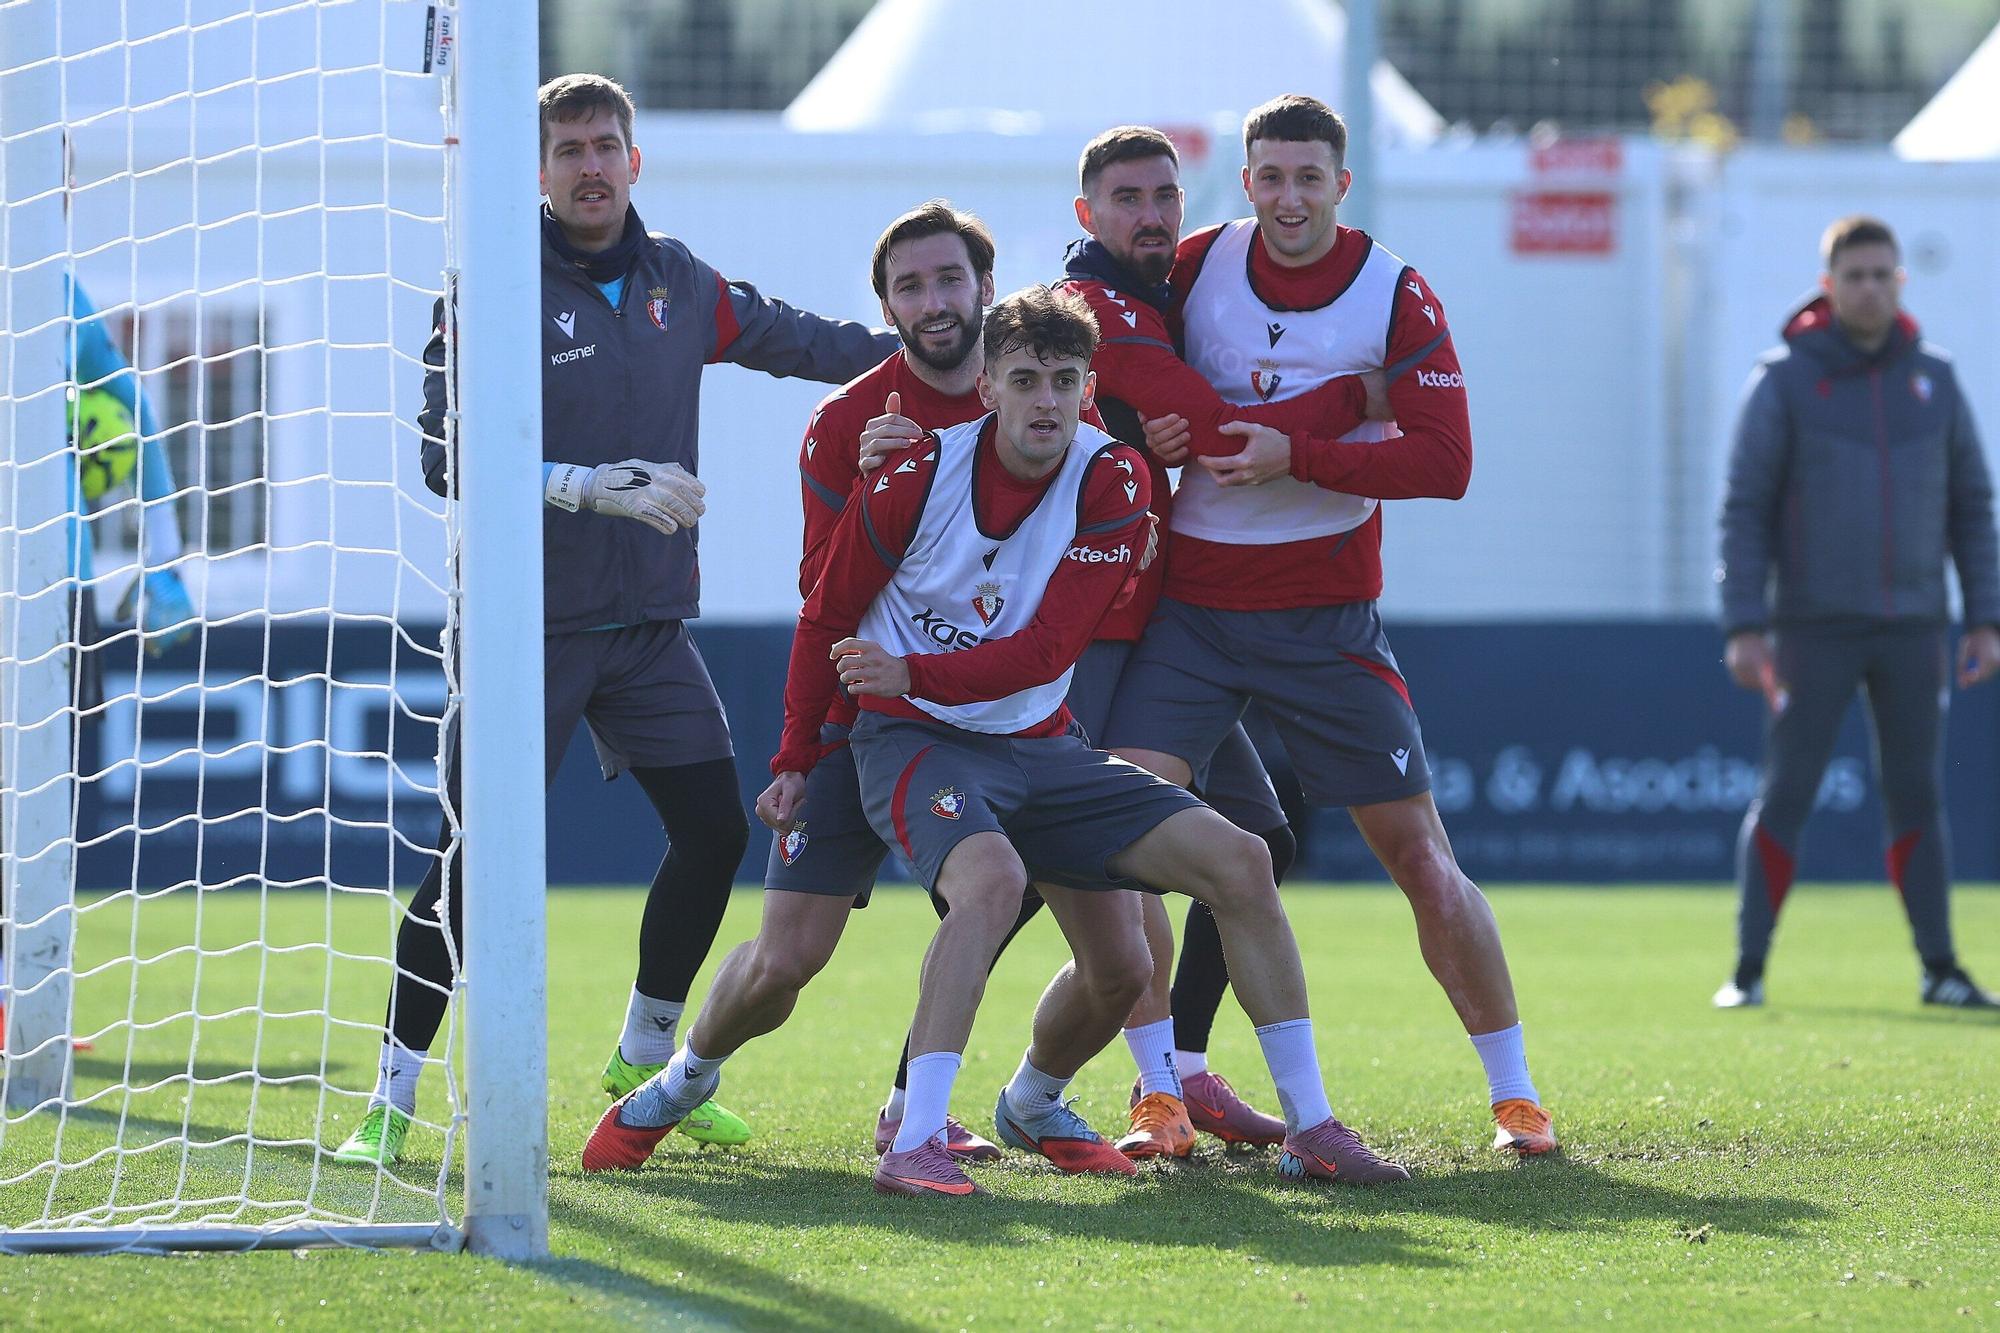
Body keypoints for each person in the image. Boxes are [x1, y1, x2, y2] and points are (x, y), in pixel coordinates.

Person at [585, 286, 1409, 1197]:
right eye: (1025, 380)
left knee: (1205, 894)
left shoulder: (1115, 478)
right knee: (831, 945)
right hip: (906, 735)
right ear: (986, 386)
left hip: (1036, 740)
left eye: (1065, 380)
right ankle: (748, 1099)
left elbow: (1048, 652)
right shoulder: (912, 473)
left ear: (1089, 388)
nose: (1046, 400)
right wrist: (793, 757)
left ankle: (1277, 1124)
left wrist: (910, 669)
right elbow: (826, 614)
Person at [331, 73, 897, 1167]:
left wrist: (937, 341)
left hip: (646, 630)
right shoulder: (488, 282)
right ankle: (390, 1104)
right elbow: (442, 454)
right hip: (525, 631)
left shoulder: (681, 281)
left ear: (634, 162)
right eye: (569, 150)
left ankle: (642, 1061)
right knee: (468, 863)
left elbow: (808, 343)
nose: (590, 167)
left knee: (716, 831)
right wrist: (582, 485)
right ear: (539, 171)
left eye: (605, 147)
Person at [1106, 94, 1558, 1158]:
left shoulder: (1395, 289)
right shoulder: (1196, 266)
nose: (1289, 198)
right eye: (1270, 177)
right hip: (1190, 615)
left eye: (1309, 178)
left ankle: (1516, 1098)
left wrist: (1299, 453)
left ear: (1340, 184)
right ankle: (1159, 1092)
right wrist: (1315, 409)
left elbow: (1446, 460)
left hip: (1325, 621)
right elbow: (1131, 386)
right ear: (1245, 183)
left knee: (1422, 861)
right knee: (1120, 837)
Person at [1056, 124, 1393, 1159]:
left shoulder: (1171, 292)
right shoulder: (1095, 302)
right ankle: (930, 1097)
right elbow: (1211, 425)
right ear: (1088, 215)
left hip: (1160, 618)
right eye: (1127, 199)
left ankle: (1183, 1074)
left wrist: (1151, 440)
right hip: (1088, 629)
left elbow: (1177, 425)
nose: (1152, 214)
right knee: (1051, 873)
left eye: (1164, 195)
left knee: (1258, 840)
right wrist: (1356, 397)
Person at [1714, 214, 2000, 1010]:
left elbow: (1973, 507)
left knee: (1918, 794)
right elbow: (1744, 509)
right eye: (1855, 276)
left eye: (1882, 275)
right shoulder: (1783, 380)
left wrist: (1986, 617)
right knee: (1787, 791)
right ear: (1828, 285)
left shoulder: (1935, 379)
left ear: (1900, 281)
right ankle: (1747, 970)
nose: (1870, 288)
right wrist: (1744, 625)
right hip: (1812, 628)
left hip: (1916, 626)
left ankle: (1941, 968)